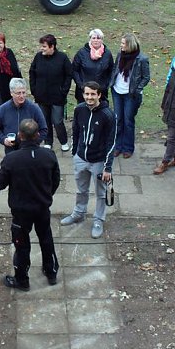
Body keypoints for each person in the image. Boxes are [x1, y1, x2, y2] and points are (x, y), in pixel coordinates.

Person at [0, 119, 60, 291]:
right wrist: (46, 195)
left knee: (22, 245)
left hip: (21, 211)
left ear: (20, 136)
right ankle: (51, 272)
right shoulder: (49, 155)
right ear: (38, 135)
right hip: (42, 207)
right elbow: (56, 181)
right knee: (46, 239)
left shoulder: (11, 159)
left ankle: (22, 280)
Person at [60, 81, 117, 239]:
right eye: (87, 94)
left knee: (100, 193)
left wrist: (108, 168)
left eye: (93, 94)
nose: (89, 97)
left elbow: (111, 143)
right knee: (81, 190)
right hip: (81, 158)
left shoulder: (108, 115)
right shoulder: (79, 109)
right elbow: (76, 130)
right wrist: (75, 152)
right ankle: (79, 213)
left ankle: (98, 220)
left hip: (99, 162)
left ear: (99, 95)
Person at [109, 32, 150, 159]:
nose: (120, 45)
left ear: (129, 45)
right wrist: (112, 83)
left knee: (128, 121)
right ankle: (117, 146)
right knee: (118, 120)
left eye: (123, 43)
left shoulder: (141, 59)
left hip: (130, 94)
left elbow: (146, 77)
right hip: (117, 91)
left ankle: (128, 148)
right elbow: (116, 69)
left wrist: (137, 89)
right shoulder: (120, 55)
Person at [29, 34, 73, 152]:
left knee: (57, 121)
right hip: (41, 97)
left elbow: (69, 75)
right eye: (41, 46)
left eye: (44, 46)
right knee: (44, 120)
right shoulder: (38, 57)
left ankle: (63, 141)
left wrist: (63, 91)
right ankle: (48, 141)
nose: (41, 48)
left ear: (52, 46)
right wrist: (34, 90)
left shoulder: (62, 58)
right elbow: (32, 73)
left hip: (57, 97)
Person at [0, 78, 48, 155]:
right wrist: (3, 140)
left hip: (30, 150)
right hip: (11, 151)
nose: (22, 96)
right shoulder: (3, 109)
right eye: (18, 93)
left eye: (24, 93)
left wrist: (34, 143)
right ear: (11, 93)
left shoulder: (34, 108)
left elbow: (44, 129)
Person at [72, 28, 114, 102]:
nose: (96, 40)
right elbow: (74, 70)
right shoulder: (81, 53)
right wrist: (81, 85)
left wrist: (106, 85)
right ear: (90, 39)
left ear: (102, 40)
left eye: (98, 38)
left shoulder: (107, 54)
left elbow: (111, 70)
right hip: (84, 92)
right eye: (93, 38)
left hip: (101, 92)